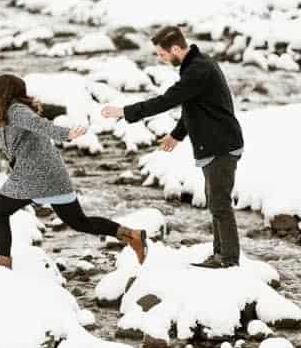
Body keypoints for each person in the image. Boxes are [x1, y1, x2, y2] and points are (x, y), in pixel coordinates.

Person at [101, 26, 244, 269]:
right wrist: (177, 135)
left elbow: (167, 100)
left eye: (162, 54)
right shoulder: (196, 66)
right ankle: (221, 254)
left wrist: (125, 112)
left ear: (176, 48)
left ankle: (228, 259)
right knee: (216, 202)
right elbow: (193, 105)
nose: (161, 59)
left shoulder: (198, 70)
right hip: (217, 143)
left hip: (221, 145)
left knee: (220, 204)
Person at [0, 74, 147, 270]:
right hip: (51, 176)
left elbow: (39, 125)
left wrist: (65, 134)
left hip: (34, 177)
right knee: (80, 222)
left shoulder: (17, 111)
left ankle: (3, 264)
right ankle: (132, 236)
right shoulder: (13, 112)